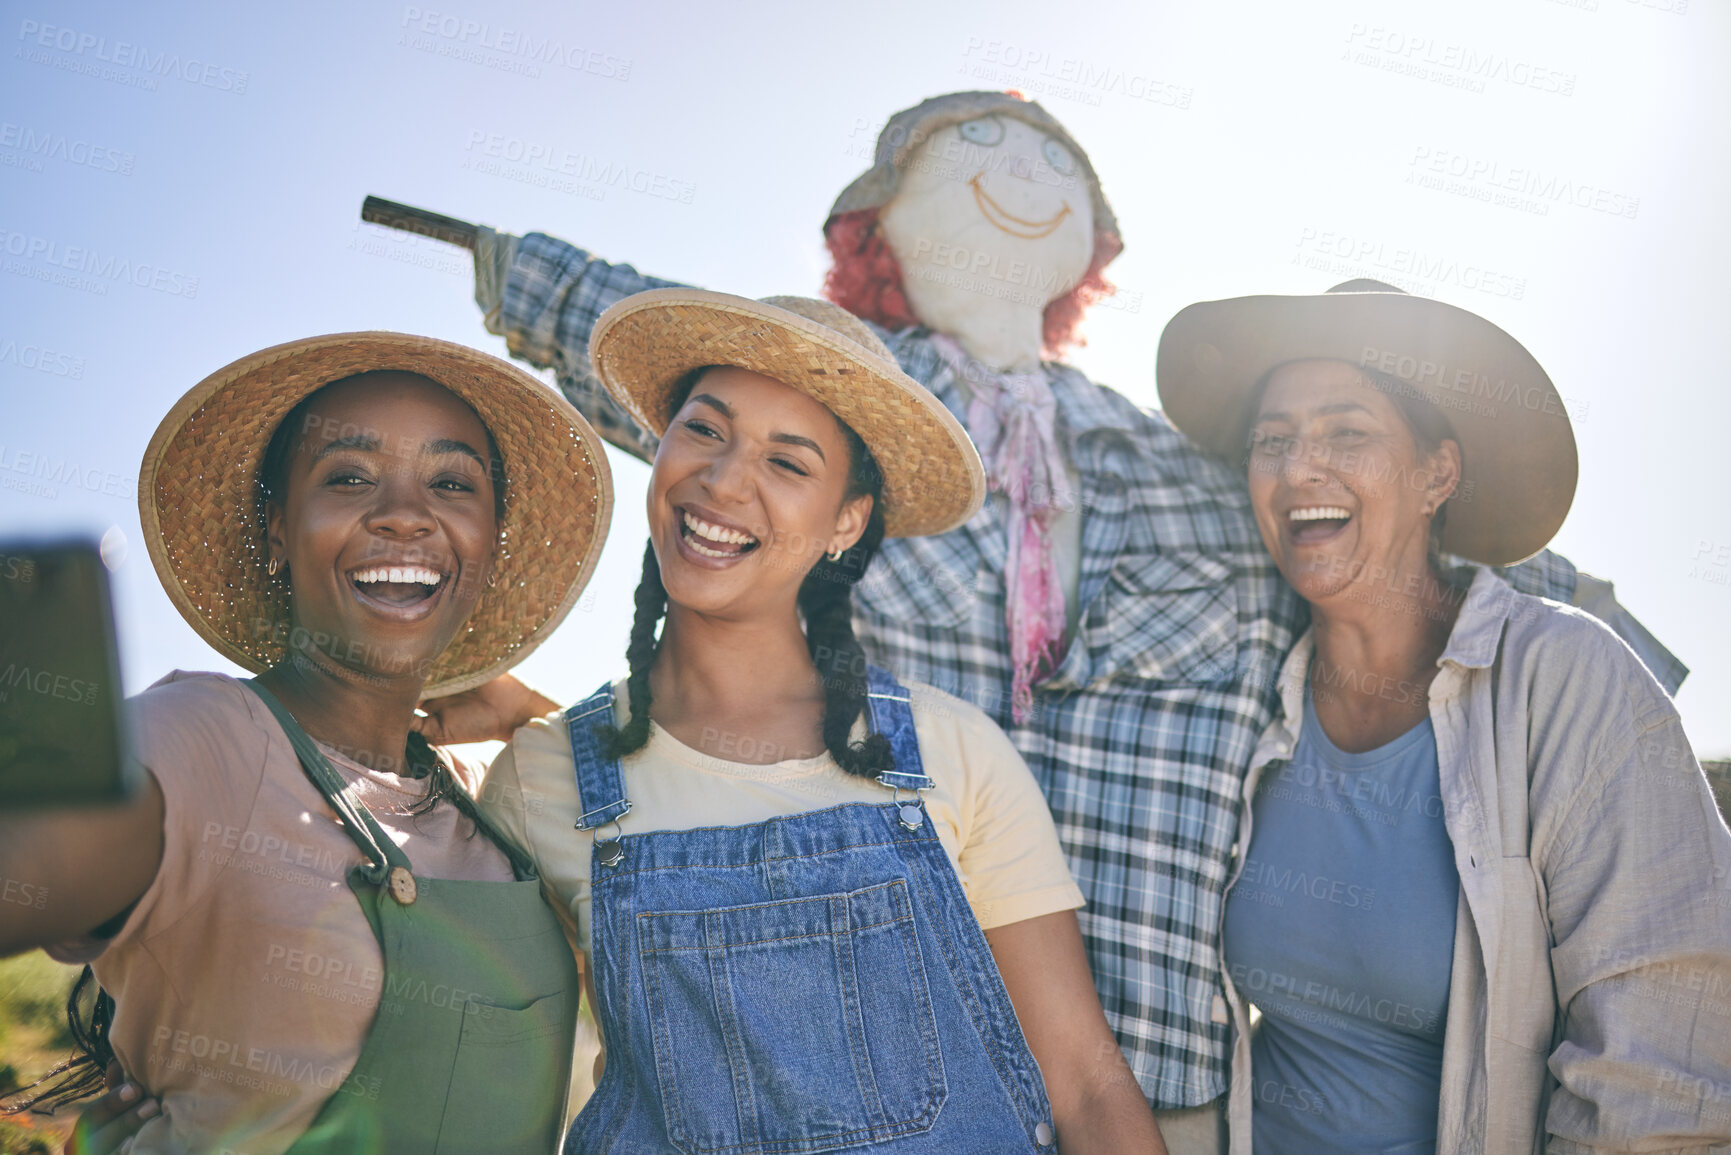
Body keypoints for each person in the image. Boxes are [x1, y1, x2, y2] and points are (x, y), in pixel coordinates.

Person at [433, 91, 1683, 1151]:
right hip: (875, 1072)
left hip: (1150, 1075)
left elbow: (1392, 530)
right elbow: (669, 357)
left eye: (1052, 166)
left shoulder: (1183, 473)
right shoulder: (845, 405)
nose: (1018, 179)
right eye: (971, 156)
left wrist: (1599, 624)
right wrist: (509, 266)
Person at [472, 288, 1167, 1152]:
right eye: (704, 430)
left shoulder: (951, 752)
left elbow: (1085, 1082)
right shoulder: (544, 781)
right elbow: (491, 1098)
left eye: (788, 463)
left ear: (846, 522)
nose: (723, 481)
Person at [0, 332, 614, 1153]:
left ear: (491, 544)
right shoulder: (208, 736)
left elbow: (637, 775)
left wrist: (509, 699)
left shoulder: (498, 790)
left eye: (450, 482)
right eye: (350, 476)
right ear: (280, 531)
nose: (404, 512)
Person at [1154, 284, 1731, 1151]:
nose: (1299, 466)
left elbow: (1663, 1070)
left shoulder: (1566, 679)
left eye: (1346, 431)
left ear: (1438, 474)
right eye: (1271, 440)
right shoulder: (1254, 705)